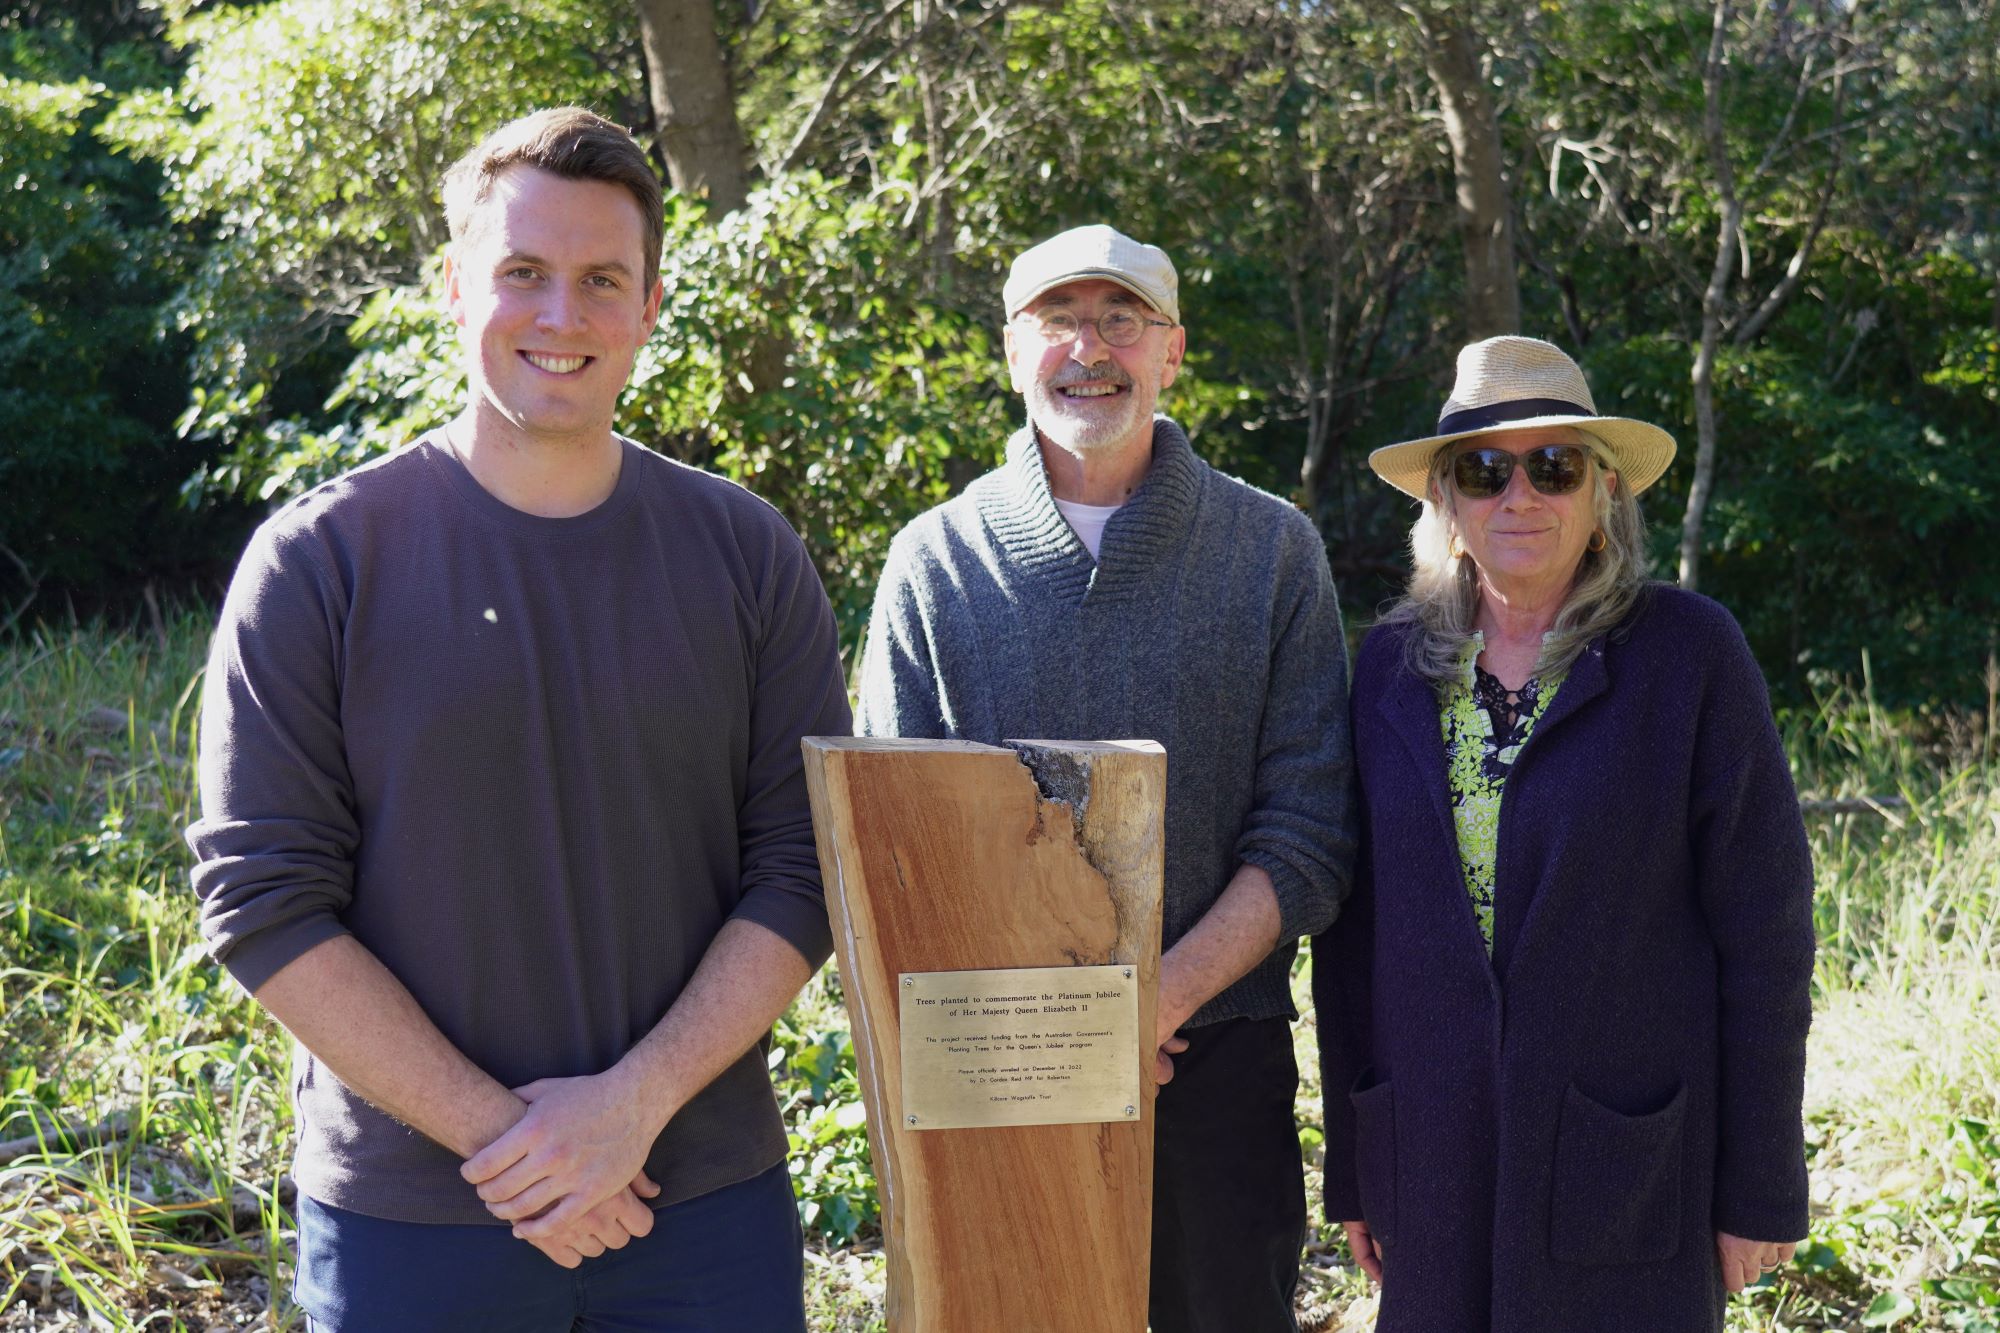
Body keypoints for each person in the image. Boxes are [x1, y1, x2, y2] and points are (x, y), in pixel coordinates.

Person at [185, 107, 850, 1332]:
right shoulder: (319, 562)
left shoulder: (747, 554)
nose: (561, 313)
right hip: (411, 1223)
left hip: (701, 1209)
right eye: (522, 272)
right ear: (453, 286)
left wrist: (629, 1107)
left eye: (601, 280)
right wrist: (518, 1144)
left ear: (649, 306)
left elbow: (804, 868)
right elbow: (264, 899)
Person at [857, 223, 1356, 1332]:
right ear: (1011, 347)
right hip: (991, 1071)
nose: (1089, 349)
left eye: (1121, 320)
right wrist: (1064, 1026)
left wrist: (1154, 999)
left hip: (1213, 1065)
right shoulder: (933, 564)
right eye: (1058, 320)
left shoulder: (1271, 552)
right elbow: (892, 847)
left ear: (1171, 350)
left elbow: (1310, 831)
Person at [1313, 335, 1815, 1331]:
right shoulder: (1388, 669)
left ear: (1602, 494)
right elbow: (1352, 943)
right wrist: (1356, 1166)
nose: (1519, 496)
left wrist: (1759, 1183)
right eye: (1483, 470)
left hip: (1624, 1163)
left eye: (1553, 467)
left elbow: (1766, 936)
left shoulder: (1689, 655)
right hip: (1431, 1157)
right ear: (1445, 501)